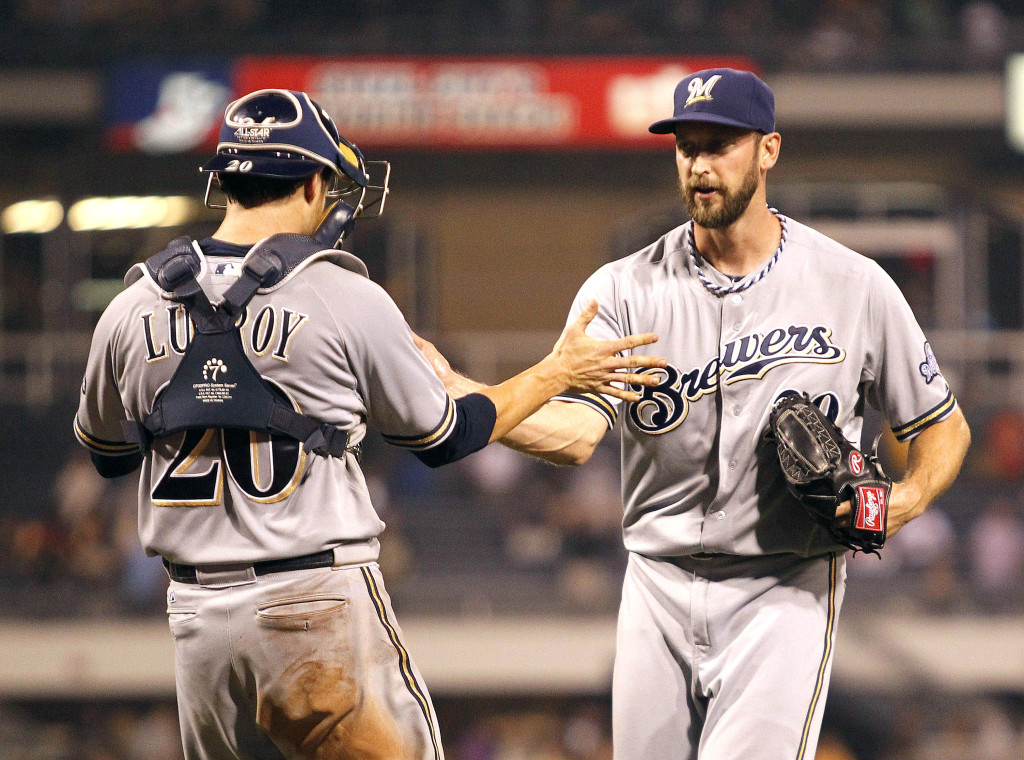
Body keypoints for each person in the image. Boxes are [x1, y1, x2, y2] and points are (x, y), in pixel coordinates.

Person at [72, 88, 664, 760]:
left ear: (227, 182)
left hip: (197, 622)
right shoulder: (342, 292)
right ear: (314, 180)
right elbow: (447, 439)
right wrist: (555, 373)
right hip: (313, 601)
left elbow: (109, 456)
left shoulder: (131, 305)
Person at [415, 68, 972, 760]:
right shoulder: (624, 289)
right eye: (687, 147)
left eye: (719, 145)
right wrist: (465, 393)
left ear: (768, 150)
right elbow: (574, 436)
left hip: (785, 585)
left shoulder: (853, 286)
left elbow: (944, 427)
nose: (699, 166)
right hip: (657, 581)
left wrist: (905, 498)